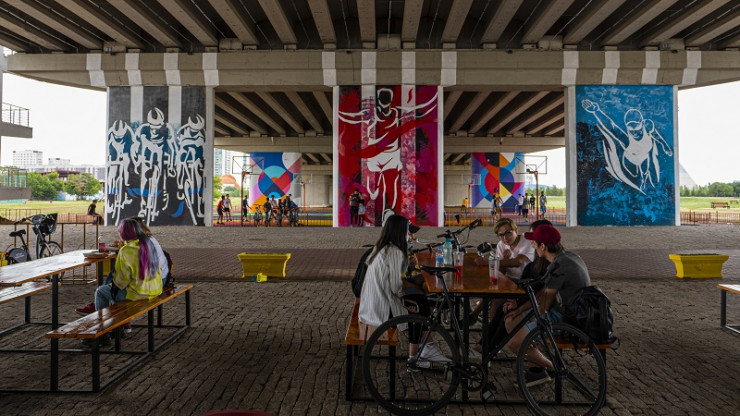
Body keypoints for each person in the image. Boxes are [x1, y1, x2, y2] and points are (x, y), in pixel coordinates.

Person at [503, 224, 591, 386]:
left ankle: (555, 367)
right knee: (511, 321)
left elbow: (543, 306)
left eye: (534, 242)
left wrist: (526, 320)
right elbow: (544, 293)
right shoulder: (567, 257)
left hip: (570, 320)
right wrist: (519, 310)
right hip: (574, 312)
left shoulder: (559, 266)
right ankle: (538, 369)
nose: (532, 245)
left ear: (542, 246)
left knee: (514, 342)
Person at [358, 213, 450, 367]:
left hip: (371, 303)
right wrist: (409, 297)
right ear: (399, 232)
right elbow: (396, 287)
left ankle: (426, 347)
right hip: (380, 309)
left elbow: (393, 282)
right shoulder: (395, 252)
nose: (410, 236)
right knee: (419, 305)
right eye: (408, 232)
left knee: (420, 299)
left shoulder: (383, 248)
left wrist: (413, 288)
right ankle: (415, 356)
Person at [81, 218, 163, 347]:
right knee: (113, 292)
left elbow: (121, 281)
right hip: (154, 289)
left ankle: (102, 333)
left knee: (101, 292)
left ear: (124, 233)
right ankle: (117, 329)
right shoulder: (148, 244)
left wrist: (111, 285)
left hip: (138, 293)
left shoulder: (126, 250)